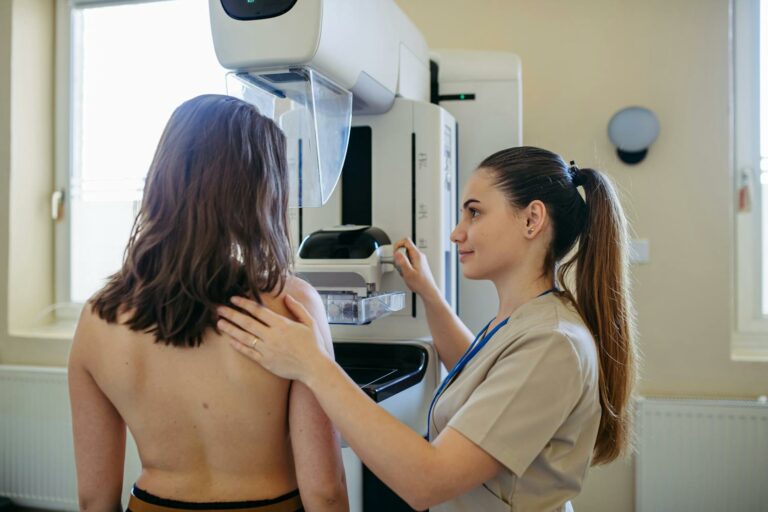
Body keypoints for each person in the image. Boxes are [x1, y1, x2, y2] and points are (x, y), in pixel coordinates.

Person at [217, 146, 637, 511]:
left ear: (532, 219)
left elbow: (427, 480)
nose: (457, 233)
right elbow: (477, 371)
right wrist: (428, 294)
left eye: (474, 212)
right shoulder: (527, 319)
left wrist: (313, 365)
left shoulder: (552, 343)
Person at [68, 94, 348, 512]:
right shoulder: (293, 305)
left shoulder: (98, 319)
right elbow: (324, 491)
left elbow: (94, 499)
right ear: (261, 190)